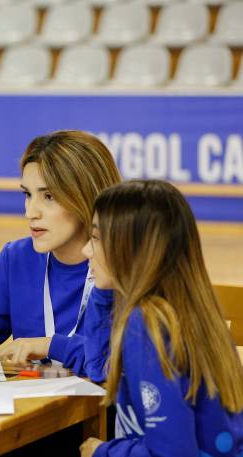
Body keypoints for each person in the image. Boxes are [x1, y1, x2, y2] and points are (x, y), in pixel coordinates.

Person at [0, 130, 121, 375]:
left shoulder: (128, 263)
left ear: (87, 195)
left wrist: (50, 346)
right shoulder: (17, 258)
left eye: (48, 196)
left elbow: (119, 359)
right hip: (38, 398)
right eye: (28, 194)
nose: (30, 212)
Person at [79, 180, 243, 457]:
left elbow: (172, 453)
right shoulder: (187, 309)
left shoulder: (146, 325)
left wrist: (103, 452)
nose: (86, 250)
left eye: (95, 238)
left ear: (133, 250)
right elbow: (98, 367)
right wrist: (107, 285)